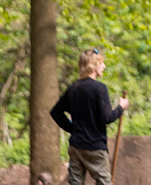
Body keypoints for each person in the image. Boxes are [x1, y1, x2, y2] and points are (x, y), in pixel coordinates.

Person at [50, 48, 129, 185]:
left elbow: (56, 112)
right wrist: (121, 107)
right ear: (93, 66)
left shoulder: (73, 88)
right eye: (101, 63)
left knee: (76, 183)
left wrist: (73, 129)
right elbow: (107, 117)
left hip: (76, 146)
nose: (104, 67)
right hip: (95, 147)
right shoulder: (99, 88)